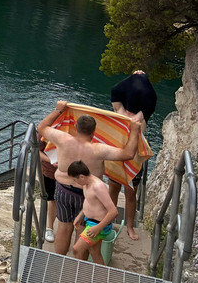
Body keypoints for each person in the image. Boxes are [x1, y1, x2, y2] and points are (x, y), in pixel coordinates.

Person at [38, 100, 144, 256]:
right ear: (94, 132)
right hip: (87, 195)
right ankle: (78, 265)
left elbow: (41, 128)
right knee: (82, 230)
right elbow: (128, 154)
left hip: (63, 190)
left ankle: (59, 260)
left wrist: (58, 110)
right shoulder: (99, 150)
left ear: (76, 127)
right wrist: (134, 130)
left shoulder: (62, 139)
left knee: (63, 226)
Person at [109, 70, 157, 240]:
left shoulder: (140, 118)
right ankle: (109, 222)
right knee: (113, 189)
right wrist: (134, 77)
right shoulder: (121, 111)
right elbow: (116, 89)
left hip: (133, 159)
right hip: (118, 155)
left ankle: (130, 227)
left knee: (130, 194)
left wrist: (139, 78)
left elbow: (150, 99)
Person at [67, 160, 118, 265]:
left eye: (75, 180)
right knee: (95, 252)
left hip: (97, 225)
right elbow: (90, 202)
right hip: (89, 221)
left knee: (76, 250)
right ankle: (100, 274)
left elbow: (113, 211)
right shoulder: (86, 184)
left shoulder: (98, 187)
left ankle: (80, 272)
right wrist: (80, 216)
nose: (74, 182)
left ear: (81, 177)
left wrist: (98, 228)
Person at [39, 138, 58, 244]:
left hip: (69, 172)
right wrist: (51, 160)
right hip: (50, 172)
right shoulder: (45, 132)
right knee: (52, 199)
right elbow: (37, 151)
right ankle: (49, 227)